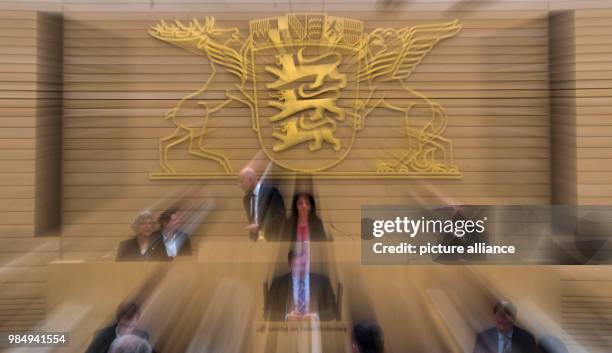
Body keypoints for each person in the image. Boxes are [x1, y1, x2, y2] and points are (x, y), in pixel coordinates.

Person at [266, 249, 336, 321]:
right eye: (296, 265)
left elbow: (333, 311)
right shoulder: (278, 284)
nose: (301, 270)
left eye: (303, 265)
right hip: (286, 330)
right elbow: (267, 313)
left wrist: (316, 317)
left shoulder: (323, 282)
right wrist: (287, 317)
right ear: (289, 265)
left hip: (316, 329)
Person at [85, 302, 154, 353]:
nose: (127, 331)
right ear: (118, 320)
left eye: (131, 326)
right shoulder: (102, 336)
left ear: (137, 322)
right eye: (123, 325)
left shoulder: (143, 336)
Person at [239, 167, 286, 241]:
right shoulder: (246, 200)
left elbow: (280, 218)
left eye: (242, 182)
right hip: (254, 243)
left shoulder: (271, 192)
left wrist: (260, 226)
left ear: (250, 180)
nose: (240, 185)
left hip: (271, 241)